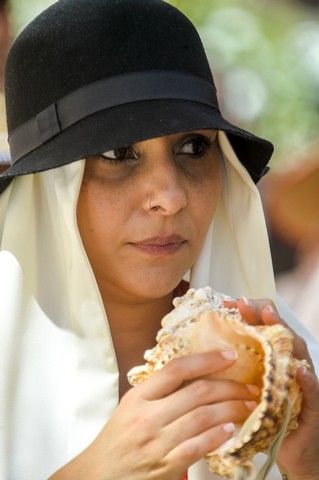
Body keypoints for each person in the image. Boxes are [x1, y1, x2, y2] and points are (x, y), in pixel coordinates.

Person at [0, 1, 318, 479]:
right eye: (116, 152)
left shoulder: (295, 361)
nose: (169, 197)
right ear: (49, 189)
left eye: (193, 148)